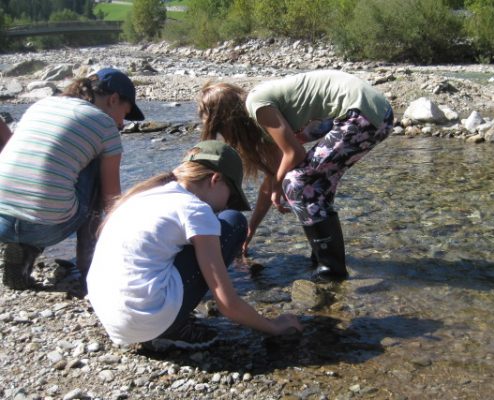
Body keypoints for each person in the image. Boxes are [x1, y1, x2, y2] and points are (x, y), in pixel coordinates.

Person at [86, 141, 303, 350]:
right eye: (231, 196)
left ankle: (170, 317)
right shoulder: (194, 209)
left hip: (112, 319)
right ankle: (173, 330)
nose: (226, 204)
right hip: (147, 321)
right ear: (215, 179)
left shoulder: (142, 196)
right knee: (233, 221)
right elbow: (228, 306)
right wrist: (274, 326)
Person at [198, 70, 394, 282]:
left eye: (221, 128)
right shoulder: (262, 121)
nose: (226, 135)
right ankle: (322, 257)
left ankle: (331, 268)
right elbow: (273, 176)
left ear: (227, 117)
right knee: (316, 186)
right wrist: (250, 230)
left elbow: (294, 154)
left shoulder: (257, 104)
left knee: (297, 183)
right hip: (377, 116)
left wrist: (278, 184)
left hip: (361, 115)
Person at [0, 68, 145, 290]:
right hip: (45, 227)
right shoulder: (105, 126)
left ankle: (22, 254)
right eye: (124, 114)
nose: (122, 124)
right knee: (96, 169)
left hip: (2, 221)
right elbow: (111, 200)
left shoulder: (42, 105)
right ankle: (89, 267)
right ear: (113, 99)